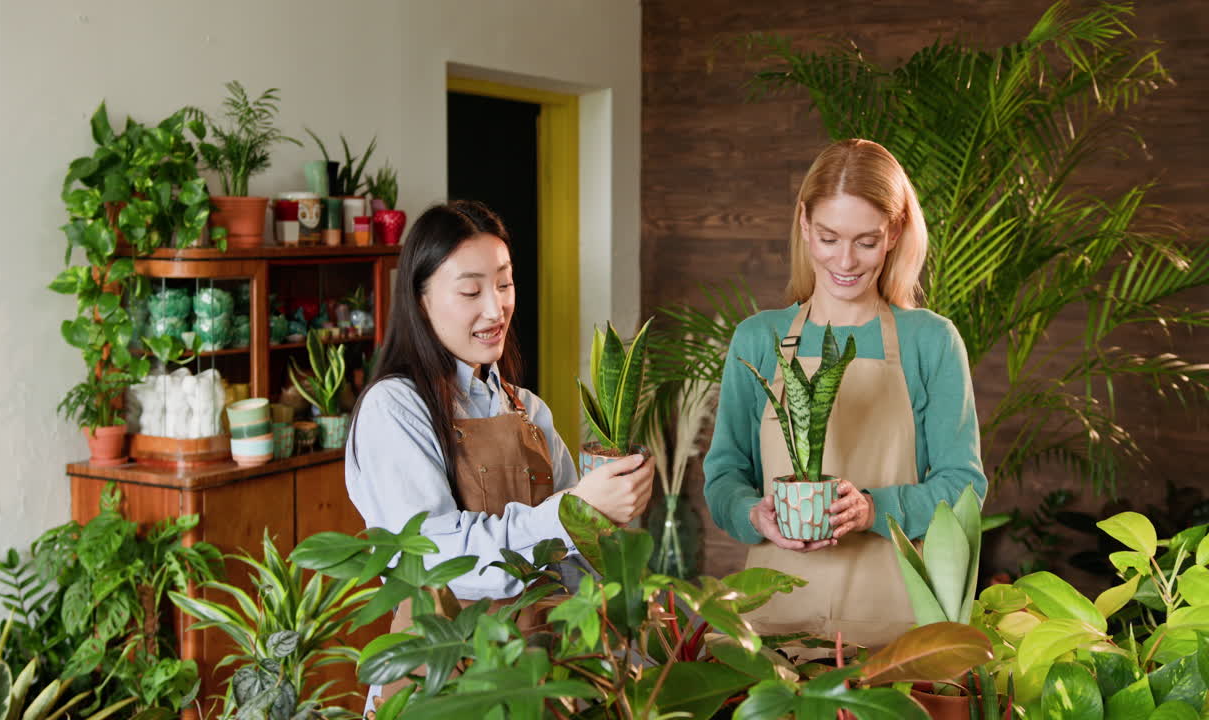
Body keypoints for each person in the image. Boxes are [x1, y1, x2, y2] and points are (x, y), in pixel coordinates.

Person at [346, 199, 655, 700]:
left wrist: (609, 515)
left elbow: (572, 557)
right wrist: (573, 511)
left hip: (540, 673)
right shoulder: (394, 408)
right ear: (419, 299)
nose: (495, 309)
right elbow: (438, 556)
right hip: (444, 678)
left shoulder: (528, 408)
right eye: (471, 291)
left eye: (505, 284)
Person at [702, 139, 987, 648]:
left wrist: (873, 510)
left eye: (867, 241)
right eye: (829, 238)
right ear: (804, 224)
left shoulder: (930, 341)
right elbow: (724, 476)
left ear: (894, 232)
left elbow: (964, 486)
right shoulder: (758, 339)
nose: (846, 261)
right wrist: (753, 514)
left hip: (895, 632)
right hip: (774, 628)